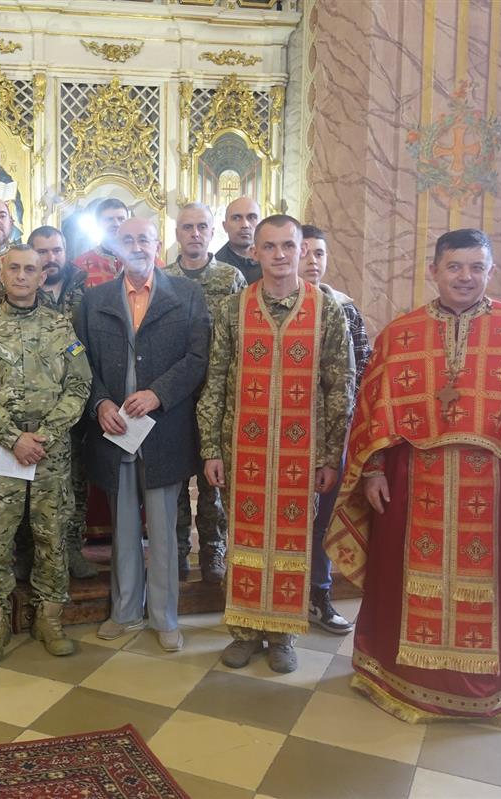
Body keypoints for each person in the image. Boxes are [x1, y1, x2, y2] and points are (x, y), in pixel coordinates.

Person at [326, 228, 501, 728]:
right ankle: (397, 682)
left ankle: (499, 696)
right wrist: (374, 470)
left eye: (476, 267)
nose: (465, 277)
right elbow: (373, 415)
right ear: (434, 270)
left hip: (498, 493)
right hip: (413, 487)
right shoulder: (401, 334)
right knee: (402, 582)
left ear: (491, 272)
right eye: (454, 266)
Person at [199, 214, 354, 674]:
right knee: (243, 539)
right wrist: (211, 447)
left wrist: (330, 455)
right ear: (255, 252)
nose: (281, 255)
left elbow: (339, 385)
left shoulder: (327, 310)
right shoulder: (233, 309)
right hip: (242, 450)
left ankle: (283, 632)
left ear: (303, 249)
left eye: (289, 245)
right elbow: (216, 380)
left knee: (291, 540)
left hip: (300, 453)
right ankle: (245, 630)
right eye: (270, 247)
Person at [77, 217, 210, 653]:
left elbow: (196, 358)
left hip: (164, 430)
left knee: (165, 529)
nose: (136, 245)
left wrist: (158, 393)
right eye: (128, 239)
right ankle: (125, 611)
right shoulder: (93, 300)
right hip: (114, 430)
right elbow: (81, 363)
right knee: (124, 527)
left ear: (157, 245)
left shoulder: (187, 295)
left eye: (144, 239)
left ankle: (165, 617)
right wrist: (99, 403)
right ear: (117, 245)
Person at [0, 244, 92, 662]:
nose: (22, 276)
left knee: (51, 535)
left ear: (43, 277)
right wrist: (11, 436)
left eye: (31, 270)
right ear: (1, 274)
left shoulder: (62, 327)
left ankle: (49, 618)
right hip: (1, 452)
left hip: (51, 452)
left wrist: (46, 433)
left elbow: (79, 387)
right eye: (14, 268)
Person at [162, 203, 246, 583]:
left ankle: (213, 552)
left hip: (218, 393)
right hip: (176, 396)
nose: (194, 234)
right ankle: (178, 551)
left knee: (214, 480)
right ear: (177, 234)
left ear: (213, 232)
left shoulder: (231, 278)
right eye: (186, 227)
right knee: (177, 479)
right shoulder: (161, 279)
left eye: (201, 227)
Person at [298, 224, 371, 634]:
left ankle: (319, 595)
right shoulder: (263, 306)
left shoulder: (345, 309)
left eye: (319, 253)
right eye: (303, 251)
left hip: (330, 435)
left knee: (323, 519)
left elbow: (362, 372)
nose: (311, 260)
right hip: (280, 433)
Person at [30, 225, 96, 579]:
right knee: (33, 484)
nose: (50, 258)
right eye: (42, 251)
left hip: (77, 403)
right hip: (34, 405)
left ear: (65, 251)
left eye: (56, 250)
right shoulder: (20, 289)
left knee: (76, 482)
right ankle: (31, 554)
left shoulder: (87, 291)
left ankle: (73, 547)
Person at [73, 198, 130, 288]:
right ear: (97, 224)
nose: (116, 224)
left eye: (121, 219)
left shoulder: (144, 261)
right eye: (109, 219)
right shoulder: (80, 265)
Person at [215, 197, 262, 285]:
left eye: (252, 217)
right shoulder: (215, 265)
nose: (245, 225)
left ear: (261, 224)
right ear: (225, 226)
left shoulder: (274, 261)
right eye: (236, 218)